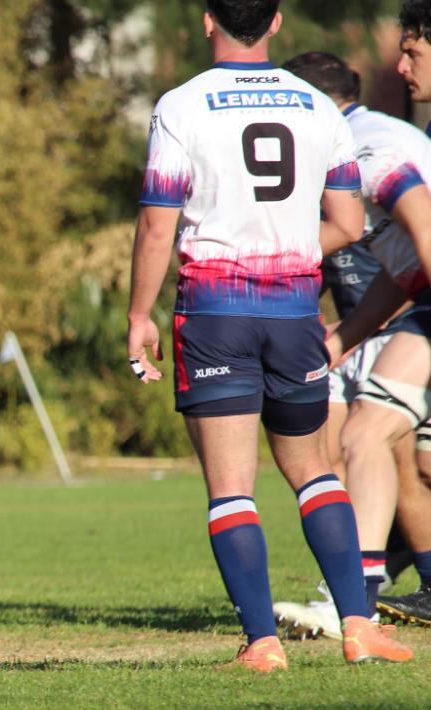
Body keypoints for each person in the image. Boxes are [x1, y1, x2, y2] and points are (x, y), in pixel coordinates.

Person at [126, 1, 410, 671]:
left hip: (215, 313)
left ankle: (262, 642)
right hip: (294, 313)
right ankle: (358, 624)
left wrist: (138, 316)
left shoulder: (182, 105)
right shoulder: (316, 106)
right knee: (313, 471)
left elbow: (158, 226)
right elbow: (348, 222)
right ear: (276, 22)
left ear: (208, 20)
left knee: (232, 486)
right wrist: (283, 251)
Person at [273, 52, 431, 637]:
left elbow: (426, 230)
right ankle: (356, 601)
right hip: (419, 306)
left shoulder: (366, 150)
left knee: (367, 437)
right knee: (375, 440)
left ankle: (353, 603)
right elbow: (406, 268)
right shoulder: (359, 140)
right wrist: (342, 338)